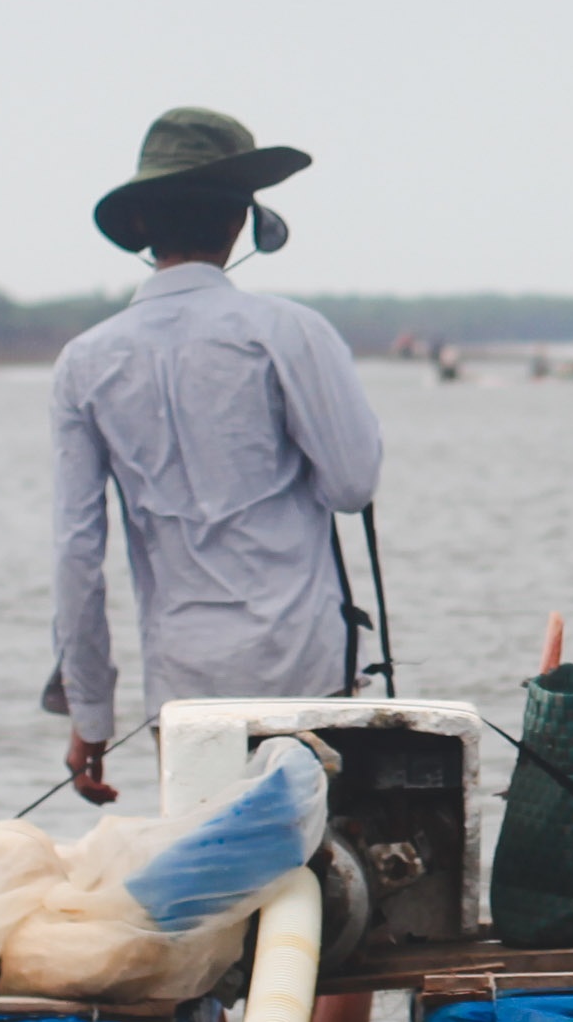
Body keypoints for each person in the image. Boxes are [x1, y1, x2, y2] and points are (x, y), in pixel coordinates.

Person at [50, 107, 387, 800]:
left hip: (184, 687)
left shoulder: (84, 362)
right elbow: (354, 485)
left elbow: (78, 555)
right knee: (326, 878)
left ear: (142, 226)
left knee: (212, 879)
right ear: (240, 223)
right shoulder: (291, 332)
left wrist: (91, 715)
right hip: (305, 668)